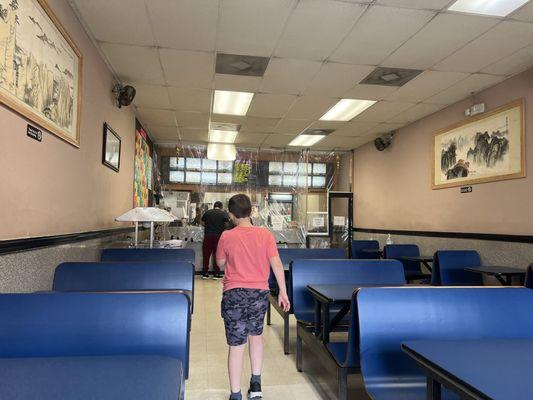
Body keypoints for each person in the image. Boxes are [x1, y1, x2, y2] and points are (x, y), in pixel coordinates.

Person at [216, 194, 290, 400]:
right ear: (250, 211)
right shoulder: (265, 235)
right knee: (256, 337)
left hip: (234, 294)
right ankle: (256, 386)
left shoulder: (226, 236)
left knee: (236, 345)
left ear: (231, 214)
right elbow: (276, 264)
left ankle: (235, 394)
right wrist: (283, 292)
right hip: (259, 294)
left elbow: (220, 264)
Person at [201, 201, 229, 280]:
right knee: (217, 255)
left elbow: (202, 223)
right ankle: (216, 274)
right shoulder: (224, 214)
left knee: (206, 255)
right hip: (218, 237)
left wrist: (209, 226)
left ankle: (205, 273)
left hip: (208, 236)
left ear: (214, 206)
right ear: (221, 206)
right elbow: (226, 225)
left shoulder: (207, 213)